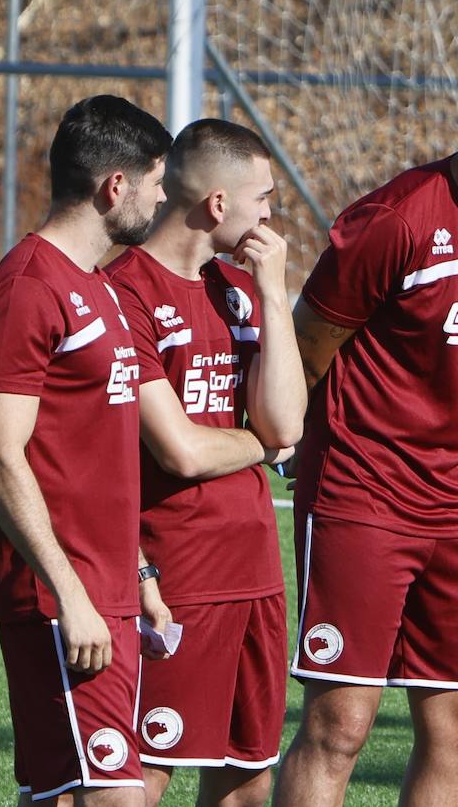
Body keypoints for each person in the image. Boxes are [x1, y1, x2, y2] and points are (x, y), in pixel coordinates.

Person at [272, 55, 458, 807]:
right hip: (361, 493)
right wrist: (290, 440)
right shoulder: (396, 219)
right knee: (341, 721)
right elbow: (309, 343)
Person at [0, 94, 173, 805]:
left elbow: (100, 456)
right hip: (59, 594)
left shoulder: (101, 290)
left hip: (107, 588)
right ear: (116, 187)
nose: (163, 196)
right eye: (156, 181)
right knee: (114, 794)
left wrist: (138, 572)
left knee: (68, 792)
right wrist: (70, 591)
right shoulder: (27, 288)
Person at [104, 119, 306, 807]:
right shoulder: (124, 291)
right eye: (264, 200)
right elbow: (181, 450)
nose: (272, 217)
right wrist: (261, 447)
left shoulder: (241, 290)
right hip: (175, 574)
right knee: (143, 775)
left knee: (248, 780)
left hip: (254, 574)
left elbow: (287, 421)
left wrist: (275, 293)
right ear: (219, 205)